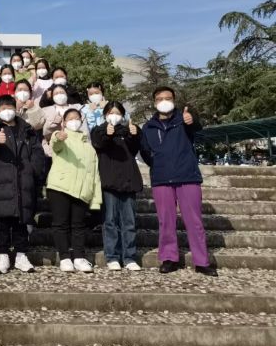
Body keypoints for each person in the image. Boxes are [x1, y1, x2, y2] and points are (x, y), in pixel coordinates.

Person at [140, 87, 215, 276]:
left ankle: (202, 261)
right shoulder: (148, 127)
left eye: (168, 98)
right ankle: (169, 258)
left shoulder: (184, 119)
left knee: (194, 221)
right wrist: (158, 163)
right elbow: (145, 152)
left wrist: (193, 119)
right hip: (162, 178)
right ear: (154, 102)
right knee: (166, 221)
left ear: (174, 100)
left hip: (187, 175)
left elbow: (197, 127)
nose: (164, 101)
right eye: (159, 98)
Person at [0, 95, 45, 274]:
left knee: (22, 221)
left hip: (23, 180)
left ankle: (21, 255)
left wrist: (33, 170)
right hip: (1, 183)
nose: (7, 111)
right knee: (2, 221)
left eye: (9, 107)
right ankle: (2, 255)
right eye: (2, 108)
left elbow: (37, 151)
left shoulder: (26, 129)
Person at [46, 108, 102, 273]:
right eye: (69, 118)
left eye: (77, 118)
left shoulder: (89, 147)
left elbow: (95, 175)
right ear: (64, 122)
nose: (74, 121)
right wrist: (57, 136)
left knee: (79, 225)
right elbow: (55, 144)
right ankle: (64, 257)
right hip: (60, 188)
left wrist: (95, 199)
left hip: (82, 191)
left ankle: (78, 256)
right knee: (60, 224)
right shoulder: (63, 137)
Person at [91, 101, 143, 271]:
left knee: (129, 221)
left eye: (118, 112)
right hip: (109, 181)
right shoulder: (98, 130)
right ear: (105, 115)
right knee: (110, 221)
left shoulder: (129, 130)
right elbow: (98, 144)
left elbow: (135, 149)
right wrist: (107, 134)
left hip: (128, 180)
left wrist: (135, 135)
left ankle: (129, 256)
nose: (114, 115)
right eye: (111, 112)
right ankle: (112, 256)